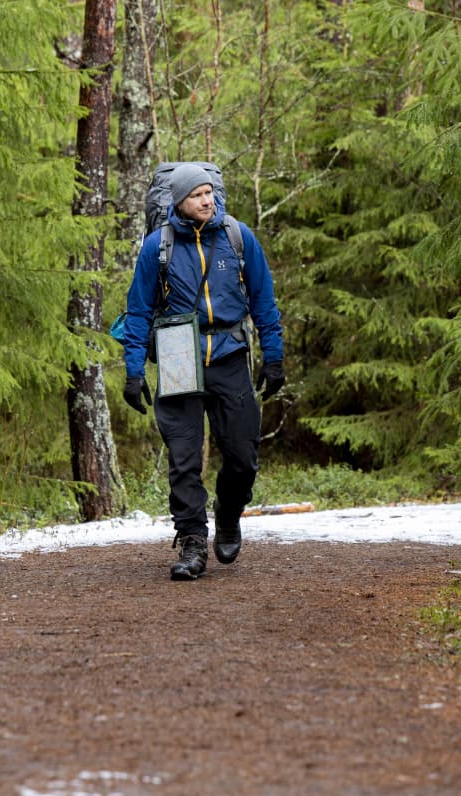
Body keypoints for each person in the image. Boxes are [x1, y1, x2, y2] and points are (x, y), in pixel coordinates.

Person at [121, 163, 285, 581]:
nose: (207, 200)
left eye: (210, 192)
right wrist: (134, 371)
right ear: (179, 201)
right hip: (178, 354)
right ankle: (193, 542)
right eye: (197, 195)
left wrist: (274, 355)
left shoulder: (238, 237)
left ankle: (228, 513)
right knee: (183, 457)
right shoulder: (158, 247)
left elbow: (263, 300)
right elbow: (138, 311)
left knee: (243, 456)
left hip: (230, 354)